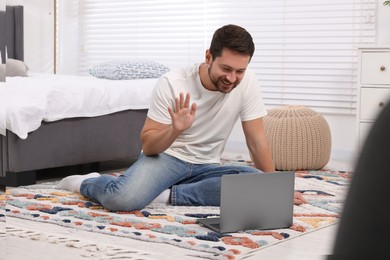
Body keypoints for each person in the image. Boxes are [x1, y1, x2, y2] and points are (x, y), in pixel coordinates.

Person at [58, 24, 307, 211]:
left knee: (254, 183)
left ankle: (164, 195)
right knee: (123, 199)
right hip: (167, 158)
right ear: (208, 56)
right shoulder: (173, 83)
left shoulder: (247, 83)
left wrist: (276, 187)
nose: (232, 78)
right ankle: (87, 183)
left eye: (240, 71)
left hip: (209, 165)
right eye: (226, 69)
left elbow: (256, 140)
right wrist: (175, 129)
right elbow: (149, 145)